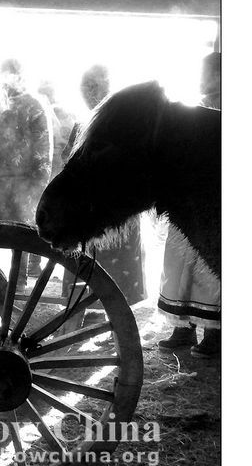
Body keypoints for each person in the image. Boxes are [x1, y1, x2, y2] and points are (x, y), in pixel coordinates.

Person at [61, 64, 146, 305]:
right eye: (84, 88)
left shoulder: (125, 123)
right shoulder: (82, 123)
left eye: (94, 86)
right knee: (84, 263)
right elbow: (69, 162)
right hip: (86, 208)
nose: (89, 93)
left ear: (107, 87)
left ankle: (118, 324)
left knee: (120, 271)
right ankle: (82, 312)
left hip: (117, 208)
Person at [157, 52, 221, 358]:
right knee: (178, 266)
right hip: (187, 200)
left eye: (212, 73)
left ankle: (215, 332)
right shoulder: (195, 110)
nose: (206, 79)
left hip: (214, 203)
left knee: (210, 271)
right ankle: (183, 328)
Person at [0, 58, 54, 280]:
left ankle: (17, 283)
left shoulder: (35, 106)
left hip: (22, 185)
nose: (7, 79)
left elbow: (42, 149)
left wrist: (37, 187)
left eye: (12, 73)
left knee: (20, 237)